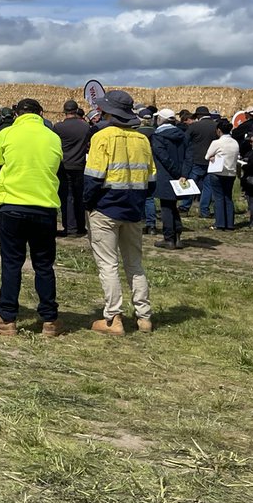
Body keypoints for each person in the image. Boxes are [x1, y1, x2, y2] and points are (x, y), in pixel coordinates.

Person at [0, 98, 64, 337]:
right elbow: (57, 165)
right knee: (44, 265)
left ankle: (7, 317)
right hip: (44, 205)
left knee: (11, 263)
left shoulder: (7, 134)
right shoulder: (52, 136)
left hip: (13, 205)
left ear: (17, 113)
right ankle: (50, 319)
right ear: (40, 113)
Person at [84, 90, 157, 335]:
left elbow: (93, 178)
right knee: (135, 264)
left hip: (106, 207)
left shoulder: (102, 137)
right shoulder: (142, 140)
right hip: (133, 208)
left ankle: (113, 318)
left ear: (107, 112)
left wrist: (88, 203)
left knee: (108, 265)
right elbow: (151, 180)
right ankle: (144, 317)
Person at [149, 108, 189, 249]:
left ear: (160, 119)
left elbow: (163, 157)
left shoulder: (158, 136)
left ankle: (169, 238)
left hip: (166, 175)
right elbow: (188, 156)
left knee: (166, 207)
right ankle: (177, 237)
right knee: (173, 206)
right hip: (180, 176)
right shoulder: (182, 134)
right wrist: (183, 174)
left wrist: (175, 172)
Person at [52, 100, 91, 237]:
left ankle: (70, 227)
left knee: (66, 197)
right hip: (80, 165)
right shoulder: (85, 127)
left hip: (64, 165)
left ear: (64, 111)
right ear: (76, 110)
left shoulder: (58, 127)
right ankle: (81, 227)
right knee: (79, 196)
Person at [181, 106, 217, 216]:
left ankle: (185, 207)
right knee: (208, 187)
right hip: (212, 161)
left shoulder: (194, 126)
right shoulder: (216, 126)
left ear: (198, 116)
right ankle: (204, 210)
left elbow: (185, 141)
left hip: (196, 159)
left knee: (190, 184)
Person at [205, 119, 240, 231]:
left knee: (218, 198)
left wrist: (213, 157)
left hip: (217, 172)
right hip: (231, 172)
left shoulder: (217, 143)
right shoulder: (235, 142)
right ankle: (229, 224)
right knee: (228, 197)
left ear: (219, 130)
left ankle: (219, 223)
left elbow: (207, 156)